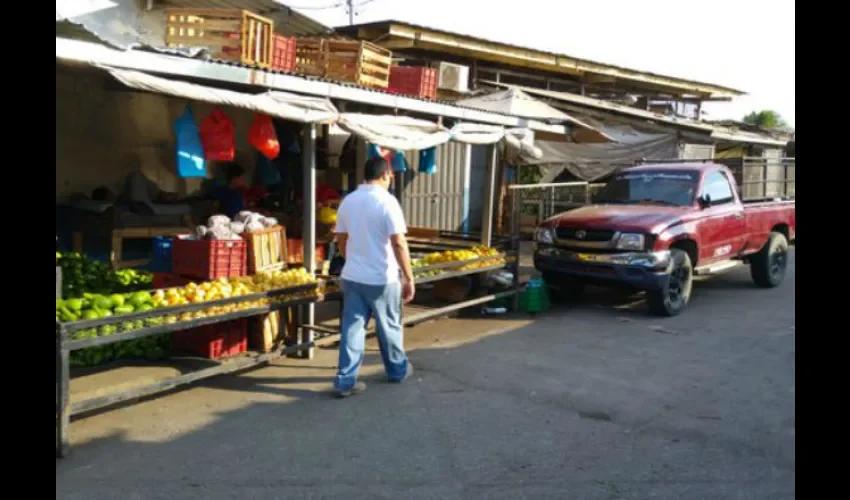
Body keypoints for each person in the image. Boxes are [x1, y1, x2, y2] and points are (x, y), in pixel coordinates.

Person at [333, 156, 415, 397]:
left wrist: (352, 259)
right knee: (389, 326)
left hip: (353, 277)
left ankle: (345, 381)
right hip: (382, 278)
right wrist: (409, 277)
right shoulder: (387, 202)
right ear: (385, 175)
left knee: (352, 329)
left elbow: (340, 239)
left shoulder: (348, 201)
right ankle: (397, 371)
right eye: (390, 175)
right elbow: (399, 243)